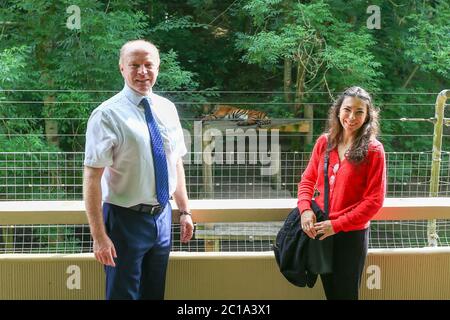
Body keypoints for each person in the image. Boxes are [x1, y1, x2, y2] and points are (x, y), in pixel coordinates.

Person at [83, 39, 194, 300]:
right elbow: (92, 178)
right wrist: (99, 236)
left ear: (158, 68)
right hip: (124, 220)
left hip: (162, 218)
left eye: (148, 65)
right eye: (134, 65)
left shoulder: (167, 109)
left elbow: (175, 160)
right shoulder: (106, 115)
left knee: (154, 294)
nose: (142, 72)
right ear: (122, 68)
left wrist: (185, 210)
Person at [297, 86, 386, 300]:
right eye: (347, 109)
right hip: (321, 228)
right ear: (338, 111)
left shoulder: (373, 150)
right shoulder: (324, 142)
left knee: (346, 295)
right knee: (330, 293)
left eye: (359, 112)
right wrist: (305, 210)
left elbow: (374, 201)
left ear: (367, 116)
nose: (352, 117)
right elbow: (308, 180)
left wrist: (336, 225)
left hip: (350, 235)